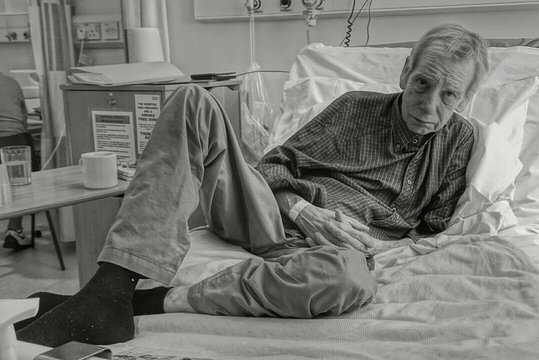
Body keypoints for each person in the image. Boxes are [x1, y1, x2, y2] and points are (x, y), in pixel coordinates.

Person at [15, 23, 489, 347]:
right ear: (406, 71)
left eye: (448, 95)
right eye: (423, 84)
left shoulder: (460, 140)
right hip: (273, 212)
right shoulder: (354, 108)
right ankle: (110, 284)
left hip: (335, 250)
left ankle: (129, 302)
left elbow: (431, 231)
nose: (429, 104)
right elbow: (270, 166)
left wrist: (374, 243)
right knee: (192, 100)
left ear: (465, 98)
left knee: (347, 280)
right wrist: (301, 208)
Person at [0, 72, 30, 250]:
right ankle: (15, 228)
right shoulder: (11, 82)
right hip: (16, 141)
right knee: (23, 188)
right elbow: (23, 117)